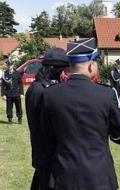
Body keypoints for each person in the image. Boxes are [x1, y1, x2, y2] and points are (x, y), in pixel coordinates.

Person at [40, 38, 120, 190]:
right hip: (99, 176)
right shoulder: (107, 94)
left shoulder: (50, 94)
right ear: (91, 65)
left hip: (64, 175)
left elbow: (46, 135)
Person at [25, 48, 69, 190]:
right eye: (62, 69)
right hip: (48, 154)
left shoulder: (40, 87)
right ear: (52, 69)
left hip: (46, 154)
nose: (64, 73)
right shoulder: (41, 90)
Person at [1, 59, 24, 124]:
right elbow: (2, 85)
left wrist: (21, 93)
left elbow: (20, 84)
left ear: (13, 65)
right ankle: (10, 119)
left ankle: (19, 118)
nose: (9, 66)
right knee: (9, 108)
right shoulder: (5, 74)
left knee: (19, 107)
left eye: (10, 65)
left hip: (17, 93)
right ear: (7, 66)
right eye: (8, 65)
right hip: (8, 94)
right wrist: (3, 94)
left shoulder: (17, 73)